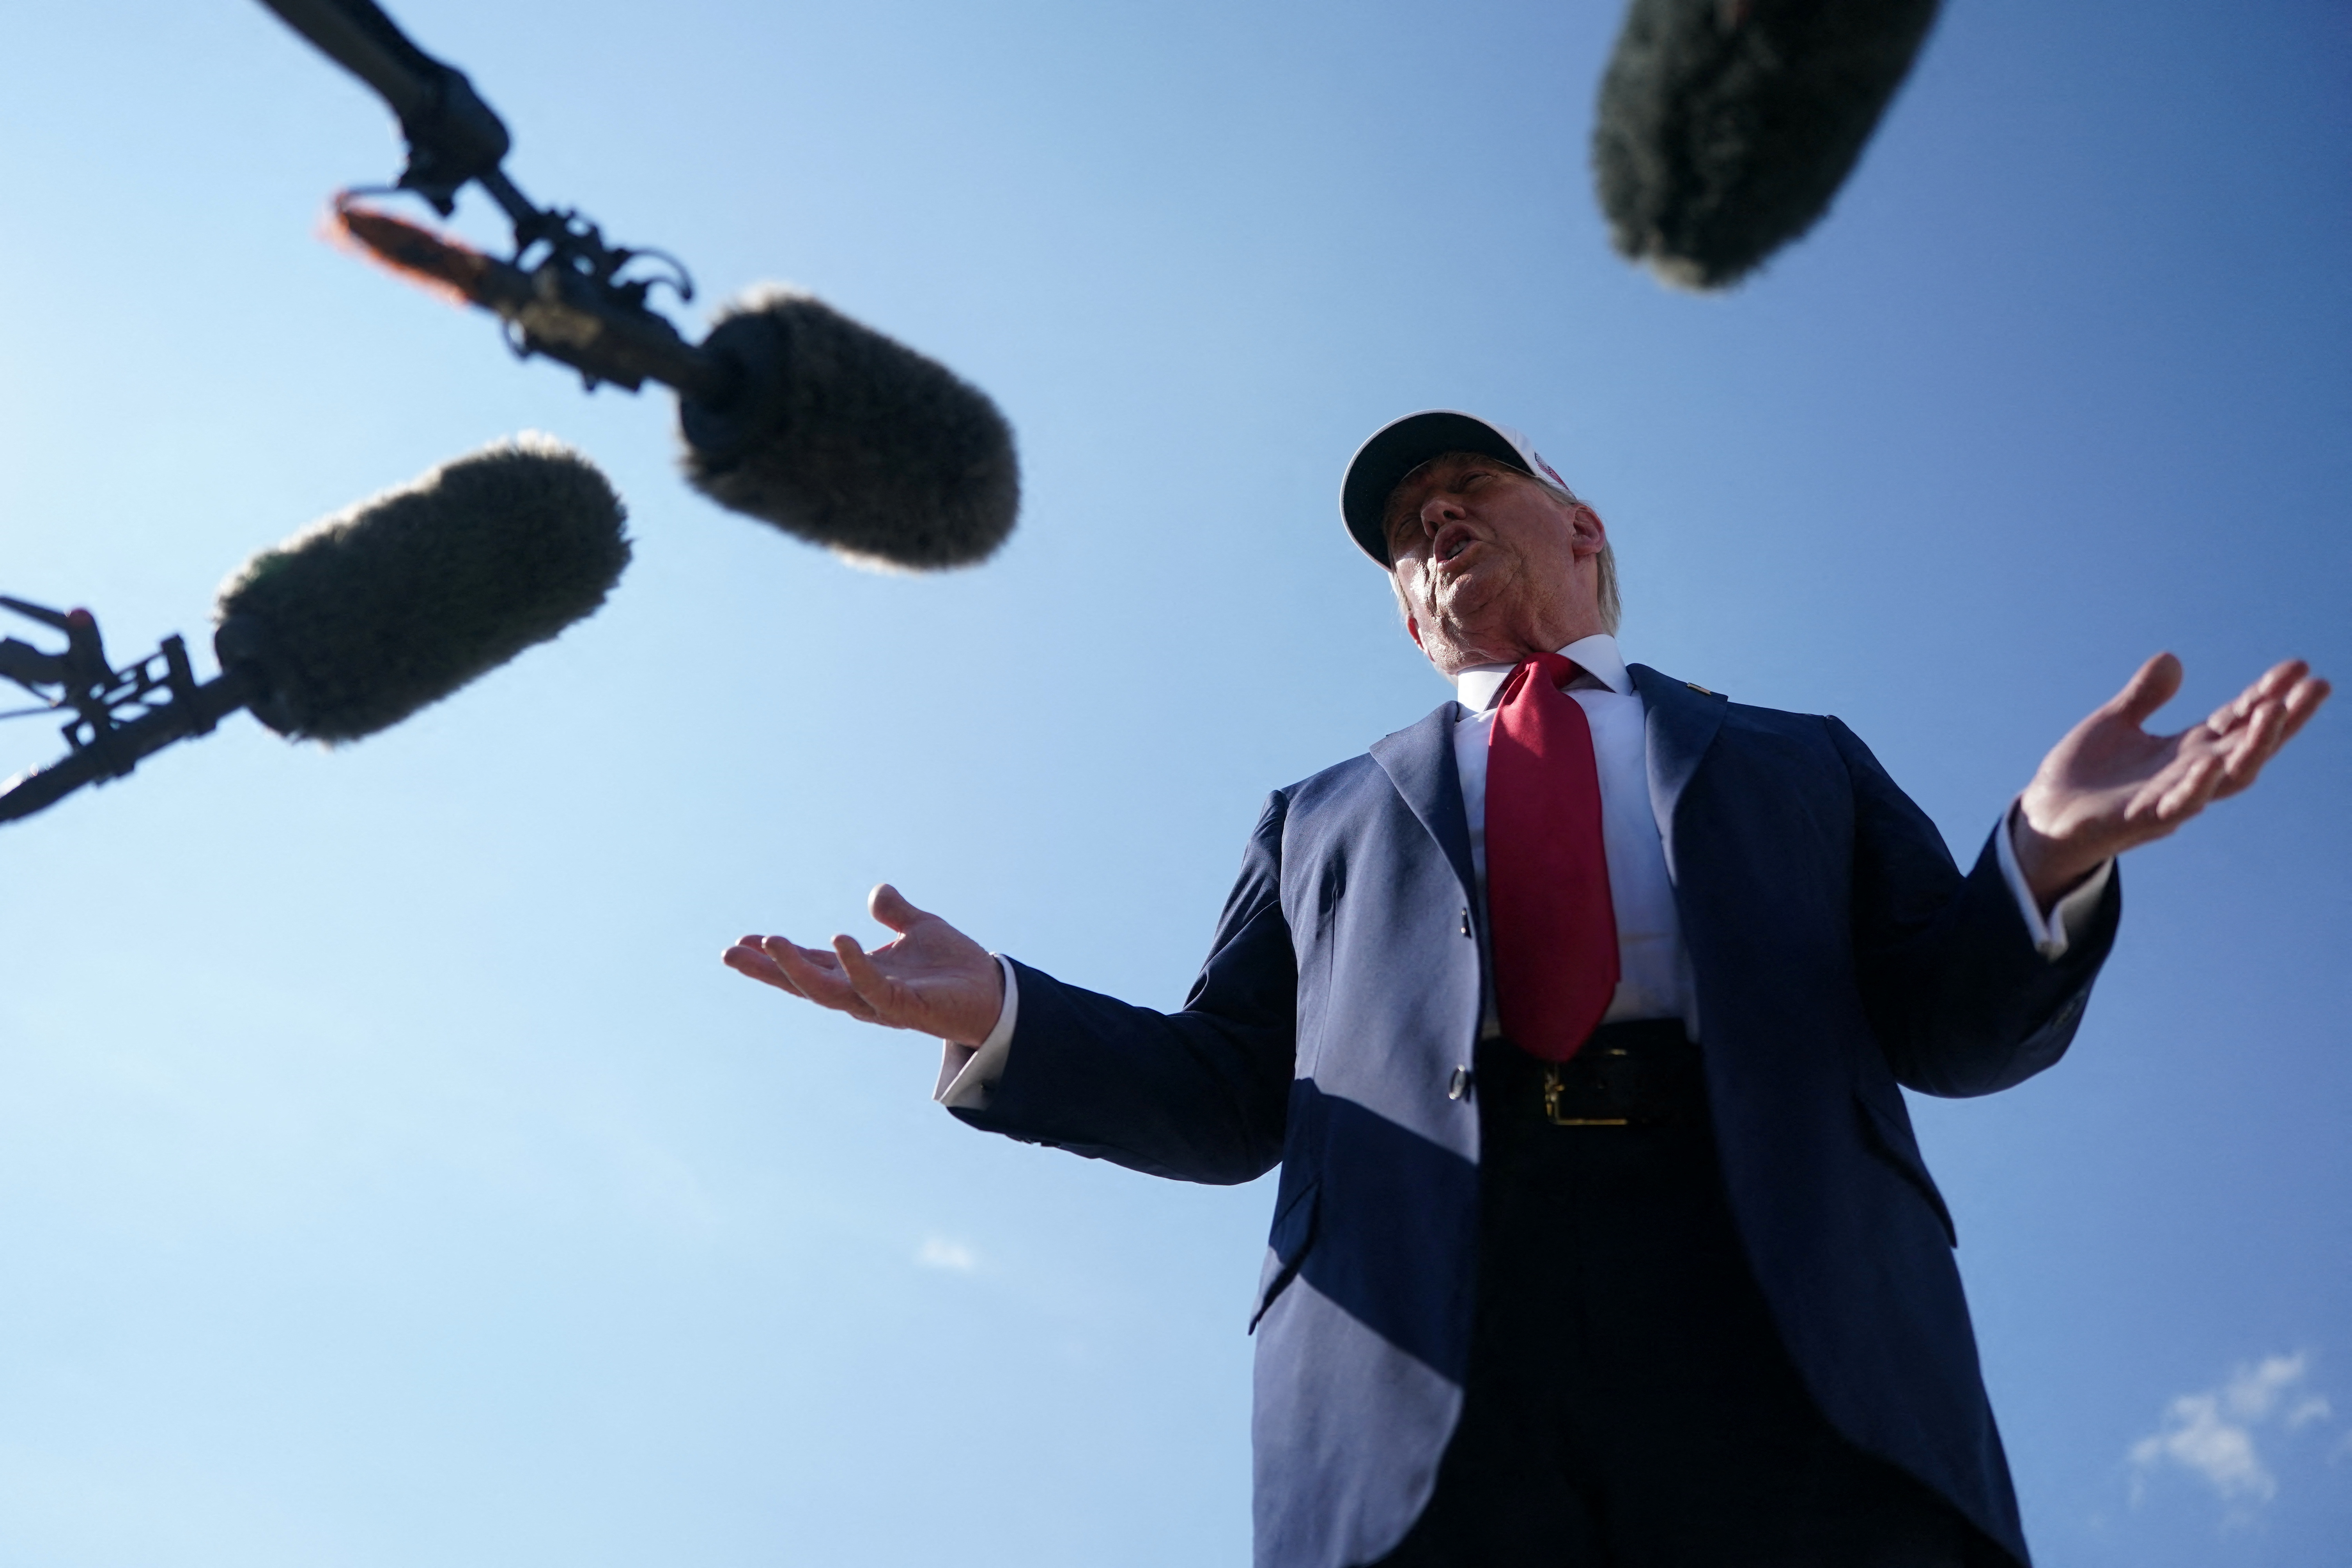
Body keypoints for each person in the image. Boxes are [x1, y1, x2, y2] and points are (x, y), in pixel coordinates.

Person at [722, 410, 2329, 1568]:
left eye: (1464, 484)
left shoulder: (1800, 759)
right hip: (1423, 1349)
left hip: (1791, 1320)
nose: (1430, 522)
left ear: (1584, 527)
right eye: (1405, 530)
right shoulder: (1318, 818)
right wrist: (1004, 1006)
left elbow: (1950, 1020)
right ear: (1412, 622)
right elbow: (1226, 1099)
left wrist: (2043, 855)